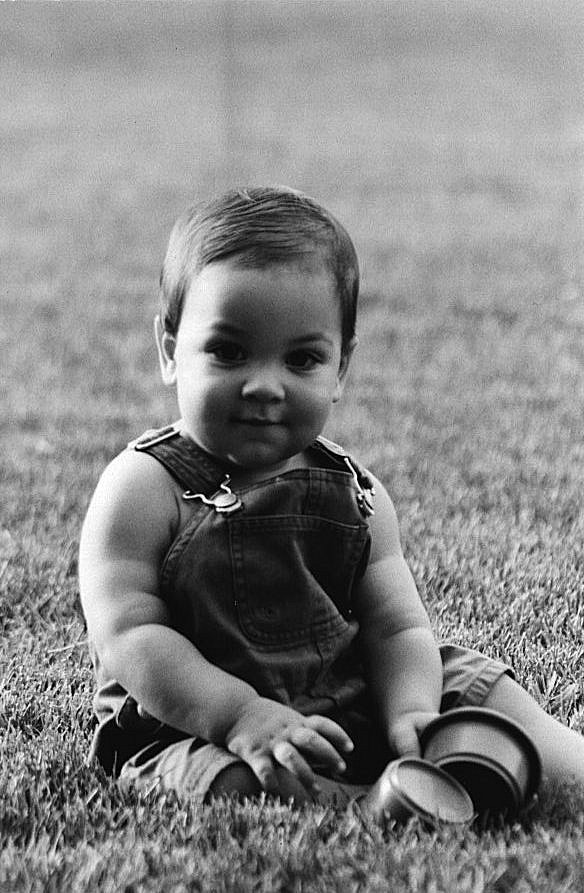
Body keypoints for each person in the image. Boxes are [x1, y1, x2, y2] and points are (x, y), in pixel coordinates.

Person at [79, 186, 584, 814]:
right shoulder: (142, 488)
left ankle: (553, 763)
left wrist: (411, 708)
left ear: (340, 368)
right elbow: (129, 635)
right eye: (228, 352)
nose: (264, 386)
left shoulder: (358, 494)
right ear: (169, 350)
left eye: (302, 359)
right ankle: (374, 803)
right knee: (234, 785)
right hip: (198, 720)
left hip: (347, 691)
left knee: (473, 684)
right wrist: (241, 716)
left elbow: (397, 626)